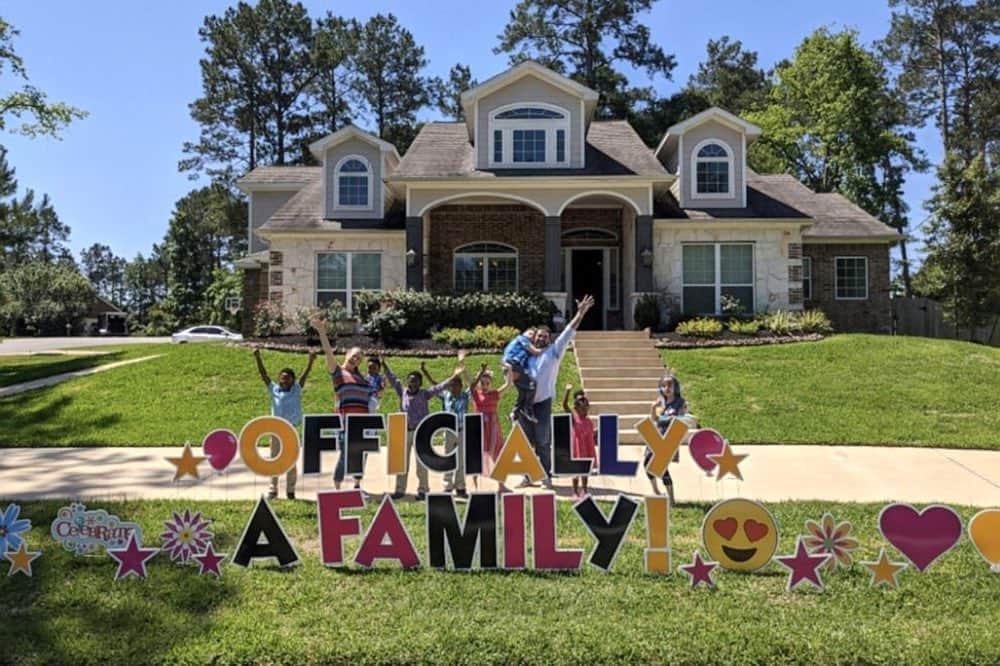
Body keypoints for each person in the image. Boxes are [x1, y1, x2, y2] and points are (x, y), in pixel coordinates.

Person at [516, 294, 595, 489]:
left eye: (545, 336)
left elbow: (568, 331)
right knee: (525, 442)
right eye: (538, 336)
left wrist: (580, 313)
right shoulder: (525, 355)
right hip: (524, 404)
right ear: (533, 338)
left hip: (542, 403)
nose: (541, 338)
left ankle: (545, 476)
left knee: (543, 442)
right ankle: (528, 476)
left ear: (549, 339)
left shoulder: (553, 352)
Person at [383, 356, 461, 501]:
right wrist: (384, 365)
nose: (412, 383)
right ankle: (400, 490)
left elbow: (440, 387)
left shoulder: (424, 394)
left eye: (415, 381)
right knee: (402, 463)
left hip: (421, 433)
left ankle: (423, 490)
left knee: (421, 465)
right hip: (405, 431)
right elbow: (393, 380)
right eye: (410, 380)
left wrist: (454, 376)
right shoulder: (403, 392)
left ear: (420, 383)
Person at [311, 314, 373, 492]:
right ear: (347, 355)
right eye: (354, 355)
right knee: (346, 455)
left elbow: (371, 398)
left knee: (362, 454)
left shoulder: (362, 379)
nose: (357, 358)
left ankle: (357, 486)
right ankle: (337, 487)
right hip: (346, 423)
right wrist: (322, 332)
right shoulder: (338, 372)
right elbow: (328, 353)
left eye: (360, 357)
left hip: (364, 423)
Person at [252, 345, 316, 500]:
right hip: (275, 430)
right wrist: (257, 357)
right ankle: (273, 489)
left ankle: (290, 490)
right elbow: (264, 375)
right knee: (274, 459)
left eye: (287, 378)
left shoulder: (296, 389)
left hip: (291, 430)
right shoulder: (274, 389)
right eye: (282, 377)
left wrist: (311, 360)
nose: (284, 380)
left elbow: (304, 375)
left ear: (292, 380)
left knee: (291, 461)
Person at [423, 351, 472, 498]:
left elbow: (473, 384)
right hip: (448, 431)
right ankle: (447, 485)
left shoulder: (465, 395)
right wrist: (425, 372)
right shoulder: (445, 396)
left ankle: (461, 487)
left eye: (457, 385)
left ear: (461, 386)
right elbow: (436, 385)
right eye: (452, 385)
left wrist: (463, 368)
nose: (454, 387)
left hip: (462, 430)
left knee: (461, 460)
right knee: (448, 459)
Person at [644, 374, 687, 506]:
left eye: (670, 385)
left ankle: (671, 499)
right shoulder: (661, 402)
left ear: (675, 387)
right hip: (656, 436)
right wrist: (653, 408)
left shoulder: (680, 403)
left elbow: (679, 419)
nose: (666, 388)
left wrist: (664, 418)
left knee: (661, 468)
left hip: (669, 439)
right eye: (663, 385)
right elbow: (654, 420)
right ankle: (656, 491)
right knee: (647, 464)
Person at [471, 363, 511, 492]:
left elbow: (508, 385)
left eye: (487, 383)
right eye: (482, 383)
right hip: (479, 427)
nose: (485, 386)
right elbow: (471, 385)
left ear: (491, 384)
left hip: (493, 429)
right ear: (479, 384)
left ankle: (501, 485)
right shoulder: (476, 394)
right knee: (476, 456)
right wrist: (480, 371)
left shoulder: (494, 395)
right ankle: (475, 486)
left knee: (497, 455)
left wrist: (509, 370)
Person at [562, 383, 597, 499]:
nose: (585, 411)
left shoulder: (588, 421)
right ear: (576, 409)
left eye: (587, 409)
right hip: (577, 450)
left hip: (586, 450)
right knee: (576, 473)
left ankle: (585, 490)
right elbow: (565, 405)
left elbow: (591, 436)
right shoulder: (574, 418)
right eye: (583, 409)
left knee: (585, 472)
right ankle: (575, 492)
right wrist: (567, 391)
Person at [502, 328, 543, 423]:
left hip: (513, 367)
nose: (531, 336)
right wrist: (548, 349)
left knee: (523, 392)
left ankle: (514, 413)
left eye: (533, 335)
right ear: (524, 333)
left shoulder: (523, 349)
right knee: (532, 383)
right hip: (513, 365)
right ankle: (528, 409)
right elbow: (536, 352)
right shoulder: (521, 338)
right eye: (530, 333)